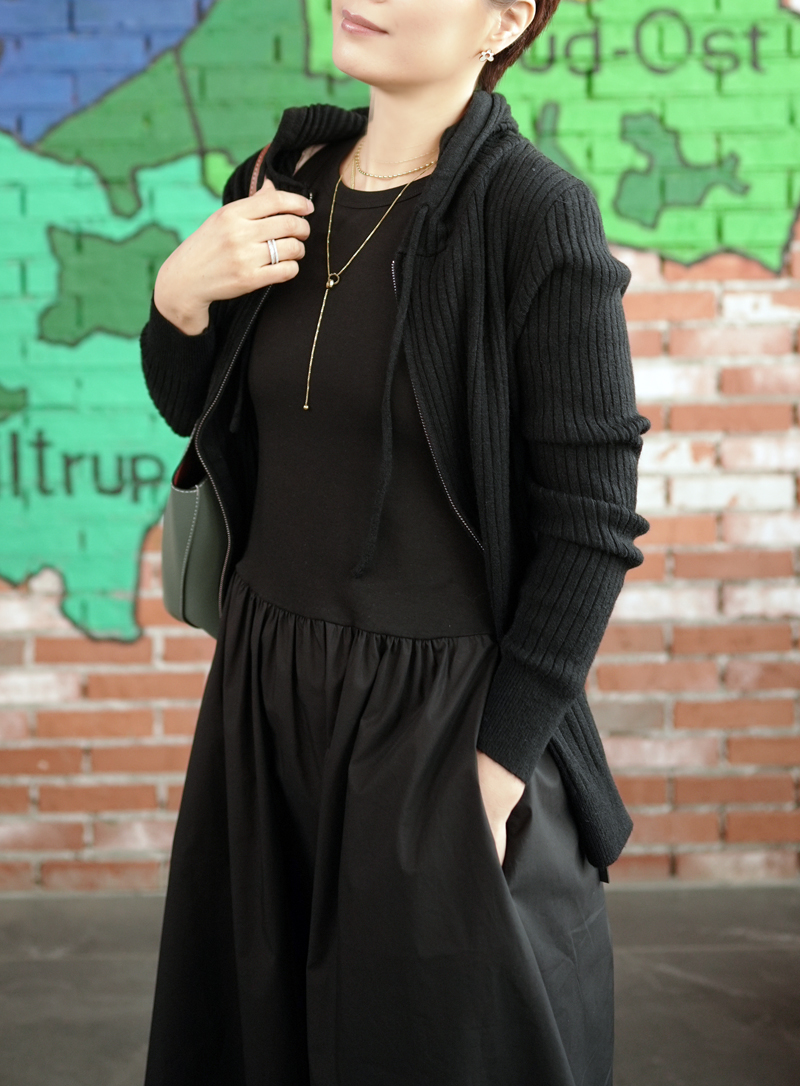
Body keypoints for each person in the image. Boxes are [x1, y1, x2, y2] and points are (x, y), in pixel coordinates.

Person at [139, 1, 650, 1083]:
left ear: (503, 20)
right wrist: (176, 300)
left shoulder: (533, 213)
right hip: (265, 695)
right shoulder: (275, 181)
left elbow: (591, 524)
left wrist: (494, 772)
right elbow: (203, 412)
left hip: (438, 721)